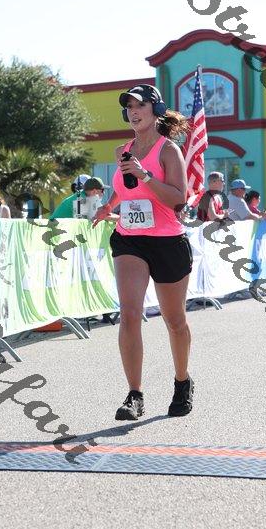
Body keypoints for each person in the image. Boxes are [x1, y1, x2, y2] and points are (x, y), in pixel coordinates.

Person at [93, 84, 194, 420]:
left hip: (167, 241)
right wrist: (108, 205)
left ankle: (182, 381)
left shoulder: (169, 151)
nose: (133, 112)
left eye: (140, 105)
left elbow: (177, 198)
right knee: (129, 314)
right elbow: (124, 189)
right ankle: (134, 395)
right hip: (130, 239)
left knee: (175, 321)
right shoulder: (122, 151)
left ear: (156, 110)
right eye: (129, 107)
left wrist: (146, 174)